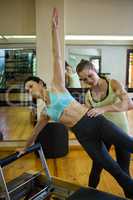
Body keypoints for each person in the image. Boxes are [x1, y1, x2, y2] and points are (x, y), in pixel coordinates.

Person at [20, 8, 133, 198]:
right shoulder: (46, 113)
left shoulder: (57, 85)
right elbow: (35, 133)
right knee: (113, 170)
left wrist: (54, 30)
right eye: (27, 90)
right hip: (83, 136)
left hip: (94, 122)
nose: (30, 91)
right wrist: (24, 147)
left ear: (39, 83)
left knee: (129, 144)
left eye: (30, 86)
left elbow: (57, 56)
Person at [76, 59, 131, 188]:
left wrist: (103, 109)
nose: (88, 81)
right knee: (96, 168)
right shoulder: (88, 95)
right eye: (84, 79)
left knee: (124, 171)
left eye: (90, 75)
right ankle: (90, 194)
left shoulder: (113, 84)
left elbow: (128, 104)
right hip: (103, 134)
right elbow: (89, 116)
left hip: (121, 132)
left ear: (95, 70)